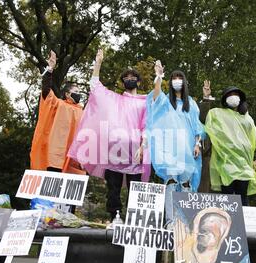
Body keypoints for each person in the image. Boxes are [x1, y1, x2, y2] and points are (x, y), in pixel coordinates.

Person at [68, 49, 150, 224]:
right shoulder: (114, 99)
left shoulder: (145, 102)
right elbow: (95, 87)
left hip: (135, 153)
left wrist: (143, 145)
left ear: (138, 81)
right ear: (122, 83)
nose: (129, 79)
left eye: (132, 76)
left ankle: (135, 222)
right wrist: (97, 63)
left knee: (136, 189)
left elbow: (147, 125)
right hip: (114, 152)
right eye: (126, 77)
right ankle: (115, 217)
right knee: (113, 188)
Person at [146, 60, 206, 229]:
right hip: (169, 150)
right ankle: (171, 221)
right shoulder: (166, 102)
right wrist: (158, 76)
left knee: (186, 183)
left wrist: (197, 144)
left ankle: (185, 222)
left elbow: (197, 126)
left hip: (187, 150)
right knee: (172, 182)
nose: (177, 80)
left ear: (184, 82)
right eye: (174, 77)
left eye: (180, 77)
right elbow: (155, 97)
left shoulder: (191, 104)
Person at [30, 51, 85, 213]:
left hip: (74, 159)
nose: (79, 93)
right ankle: (46, 217)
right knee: (51, 192)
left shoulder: (83, 111)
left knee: (70, 195)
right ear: (67, 93)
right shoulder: (59, 104)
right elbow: (46, 92)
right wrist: (50, 69)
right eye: (76, 90)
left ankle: (68, 220)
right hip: (56, 156)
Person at [204, 86, 256, 206]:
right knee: (227, 198)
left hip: (244, 163)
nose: (232, 96)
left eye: (235, 94)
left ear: (240, 98)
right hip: (226, 162)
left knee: (242, 196)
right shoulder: (218, 114)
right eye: (229, 94)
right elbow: (205, 120)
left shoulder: (247, 119)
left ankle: (243, 223)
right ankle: (228, 223)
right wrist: (206, 98)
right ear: (225, 99)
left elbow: (255, 139)